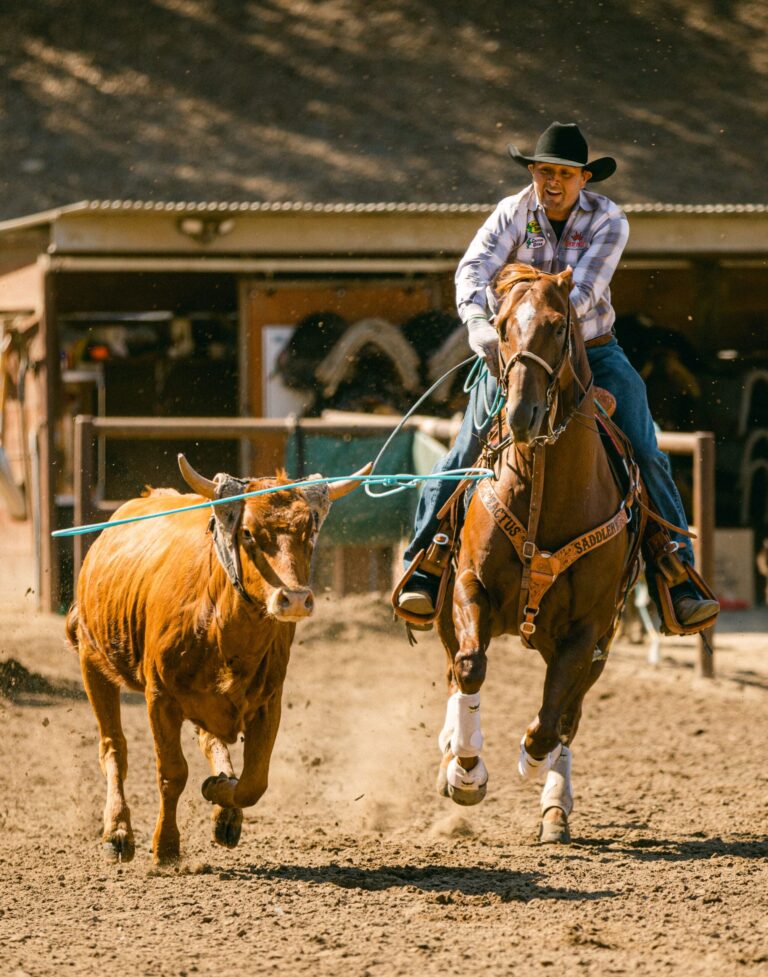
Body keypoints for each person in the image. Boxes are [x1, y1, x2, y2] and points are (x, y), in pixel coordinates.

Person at [397, 121, 719, 628]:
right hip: (519, 350)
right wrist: (479, 322)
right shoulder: (512, 211)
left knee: (644, 446)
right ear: (532, 172)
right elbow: (473, 268)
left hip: (594, 349)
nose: (552, 182)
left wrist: (521, 298)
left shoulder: (610, 220)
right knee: (464, 449)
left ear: (584, 178)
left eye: (564, 174)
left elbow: (583, 293)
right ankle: (425, 564)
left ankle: (676, 572)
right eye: (544, 171)